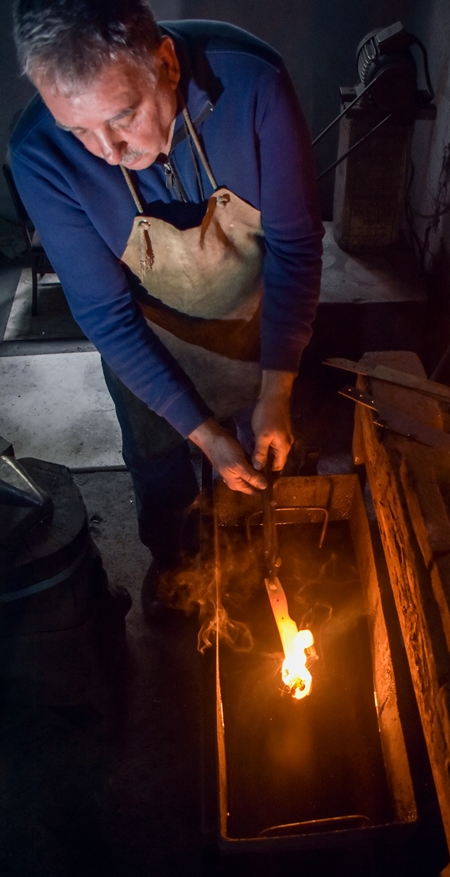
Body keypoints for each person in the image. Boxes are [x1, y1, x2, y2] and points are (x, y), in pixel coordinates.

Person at [10, 0, 324, 621]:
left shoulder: (251, 83)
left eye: (122, 117)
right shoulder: (41, 156)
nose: (106, 151)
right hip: (148, 330)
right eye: (79, 131)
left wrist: (278, 384)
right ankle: (175, 568)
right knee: (158, 463)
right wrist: (200, 432)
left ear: (166, 63)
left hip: (253, 310)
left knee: (270, 447)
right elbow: (105, 315)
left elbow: (295, 245)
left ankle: (264, 557)